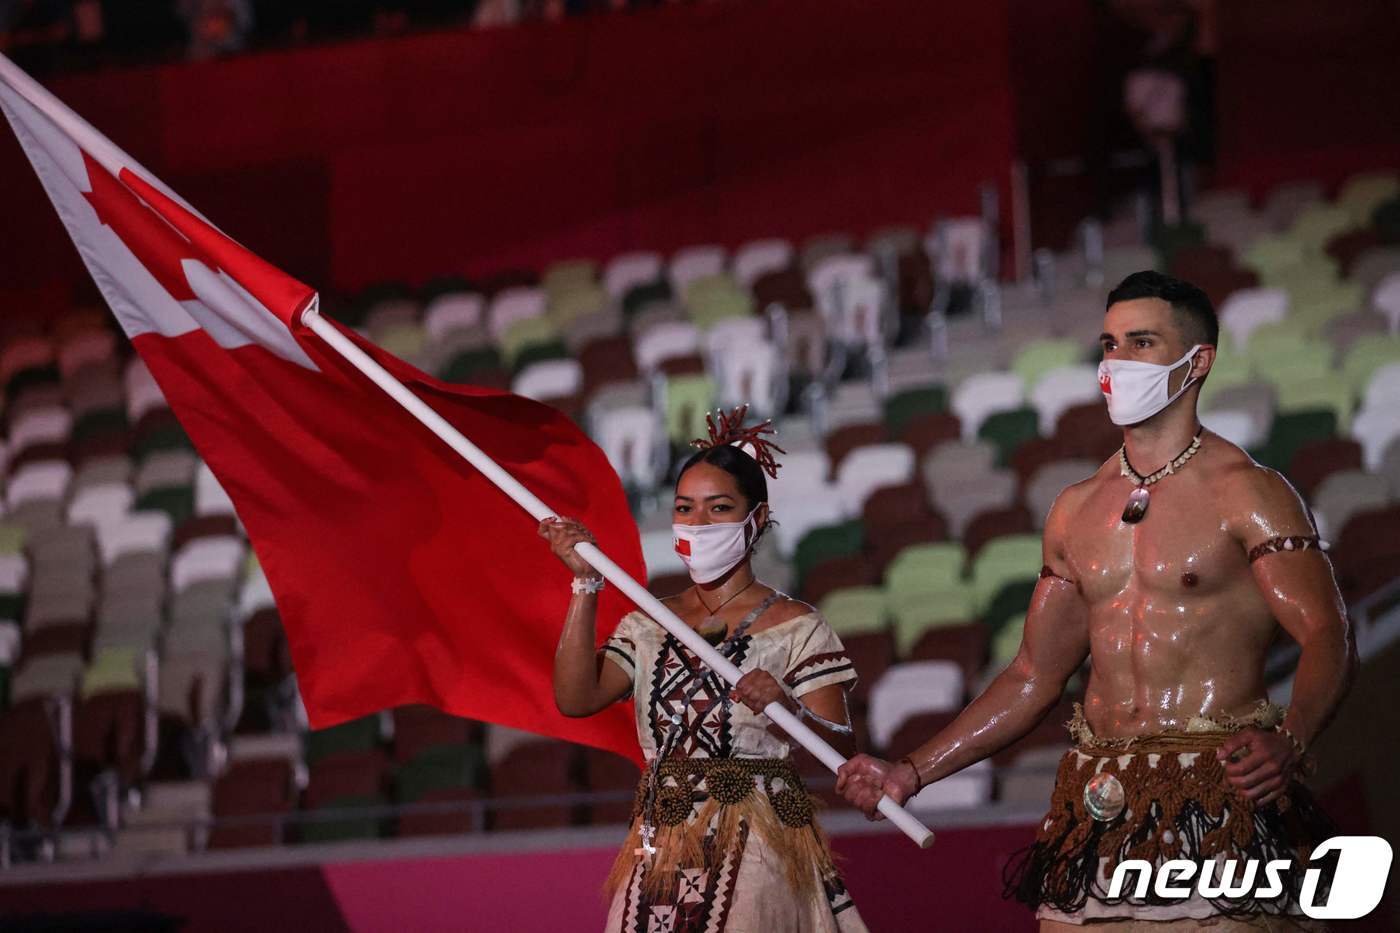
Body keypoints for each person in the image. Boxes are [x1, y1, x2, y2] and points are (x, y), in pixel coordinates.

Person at [836, 271, 1354, 929]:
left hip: (1217, 792)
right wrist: (910, 771)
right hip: (1097, 798)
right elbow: (1032, 675)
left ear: (1198, 362)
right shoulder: (1075, 510)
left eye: (1141, 342)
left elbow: (1328, 632)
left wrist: (1292, 735)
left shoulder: (1247, 490)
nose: (1117, 361)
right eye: (1110, 344)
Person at [542, 406, 867, 932]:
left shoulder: (797, 626)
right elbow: (576, 699)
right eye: (684, 508)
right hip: (659, 843)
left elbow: (843, 751)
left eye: (718, 508)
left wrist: (787, 707)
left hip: (762, 843)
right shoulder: (648, 623)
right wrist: (584, 584)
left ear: (755, 518)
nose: (697, 523)